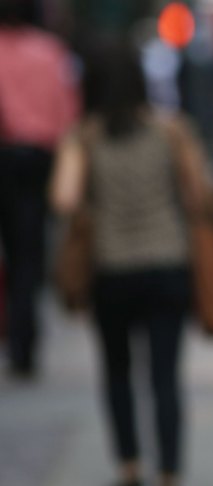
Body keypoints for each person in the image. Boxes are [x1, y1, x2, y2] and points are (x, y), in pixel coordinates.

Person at [49, 40, 213, 486]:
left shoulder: (85, 136)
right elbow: (200, 195)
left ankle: (128, 468)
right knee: (165, 374)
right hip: (168, 264)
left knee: (117, 372)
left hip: (112, 269)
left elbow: (63, 199)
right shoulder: (172, 130)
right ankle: (169, 477)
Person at [0, 0, 78, 376]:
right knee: (29, 254)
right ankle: (24, 342)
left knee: (17, 254)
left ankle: (17, 337)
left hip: (7, 155)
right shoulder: (51, 52)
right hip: (38, 159)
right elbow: (67, 114)